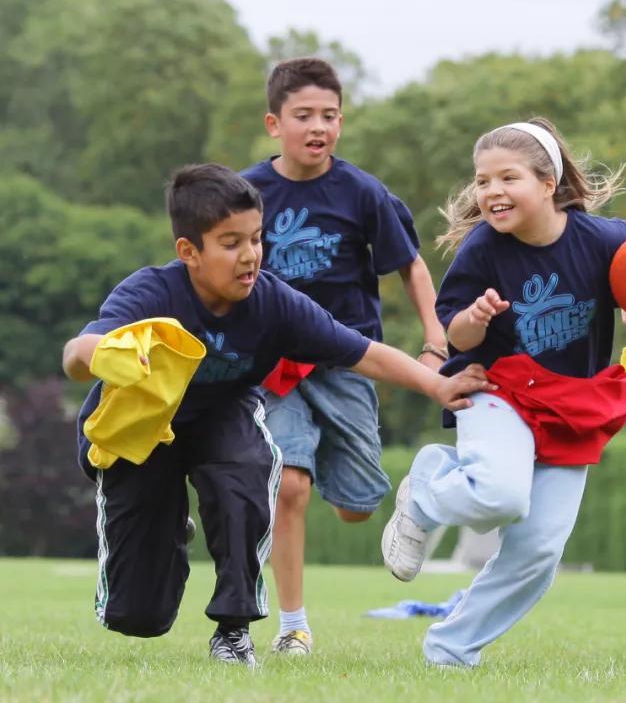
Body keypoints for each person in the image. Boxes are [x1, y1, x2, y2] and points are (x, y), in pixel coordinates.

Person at [62, 164, 490, 667]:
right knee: (138, 618)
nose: (250, 256)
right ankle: (170, 525)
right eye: (230, 243)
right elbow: (76, 352)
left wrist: (438, 383)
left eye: (256, 239)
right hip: (143, 432)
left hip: (223, 416)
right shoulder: (152, 292)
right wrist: (102, 353)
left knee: (248, 466)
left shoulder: (273, 301)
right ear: (189, 253)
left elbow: (364, 352)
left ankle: (233, 630)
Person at [380, 118, 626, 667]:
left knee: (539, 550)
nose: (491, 192)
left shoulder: (604, 239)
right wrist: (476, 319)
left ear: (548, 183)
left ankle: (451, 649)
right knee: (502, 495)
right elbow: (454, 332)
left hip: (572, 403)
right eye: (482, 181)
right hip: (497, 389)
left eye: (508, 178)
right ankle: (429, 492)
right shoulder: (483, 248)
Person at [241, 57, 448, 656]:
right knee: (291, 486)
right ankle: (292, 628)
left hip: (348, 361)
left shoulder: (362, 193)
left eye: (330, 116)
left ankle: (422, 492)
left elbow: (410, 264)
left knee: (357, 509)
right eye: (303, 115)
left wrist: (435, 339)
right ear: (273, 122)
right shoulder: (248, 191)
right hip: (274, 368)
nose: (318, 127)